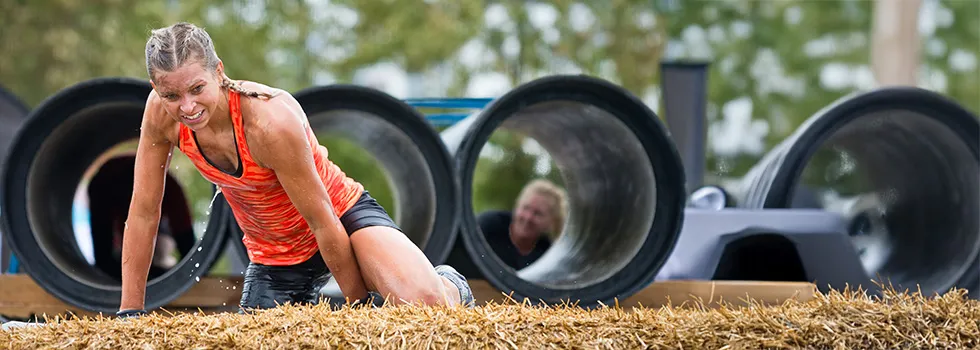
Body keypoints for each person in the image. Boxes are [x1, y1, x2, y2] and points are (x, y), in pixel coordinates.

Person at [116, 22, 473, 317]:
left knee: (425, 308)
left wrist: (359, 307)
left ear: (219, 71)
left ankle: (449, 285)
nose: (188, 107)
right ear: (156, 89)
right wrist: (130, 312)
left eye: (197, 89)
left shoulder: (269, 122)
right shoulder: (159, 115)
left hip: (342, 220)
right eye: (172, 95)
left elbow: (323, 221)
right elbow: (145, 211)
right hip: (276, 253)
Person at [88, 154, 193, 281]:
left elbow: (186, 242)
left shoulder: (170, 190)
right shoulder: (170, 190)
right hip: (106, 184)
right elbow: (187, 246)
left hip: (115, 180)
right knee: (107, 261)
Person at [478, 179, 568, 271]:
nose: (528, 217)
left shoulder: (548, 256)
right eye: (526, 208)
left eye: (538, 213)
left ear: (551, 222)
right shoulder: (489, 224)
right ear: (517, 206)